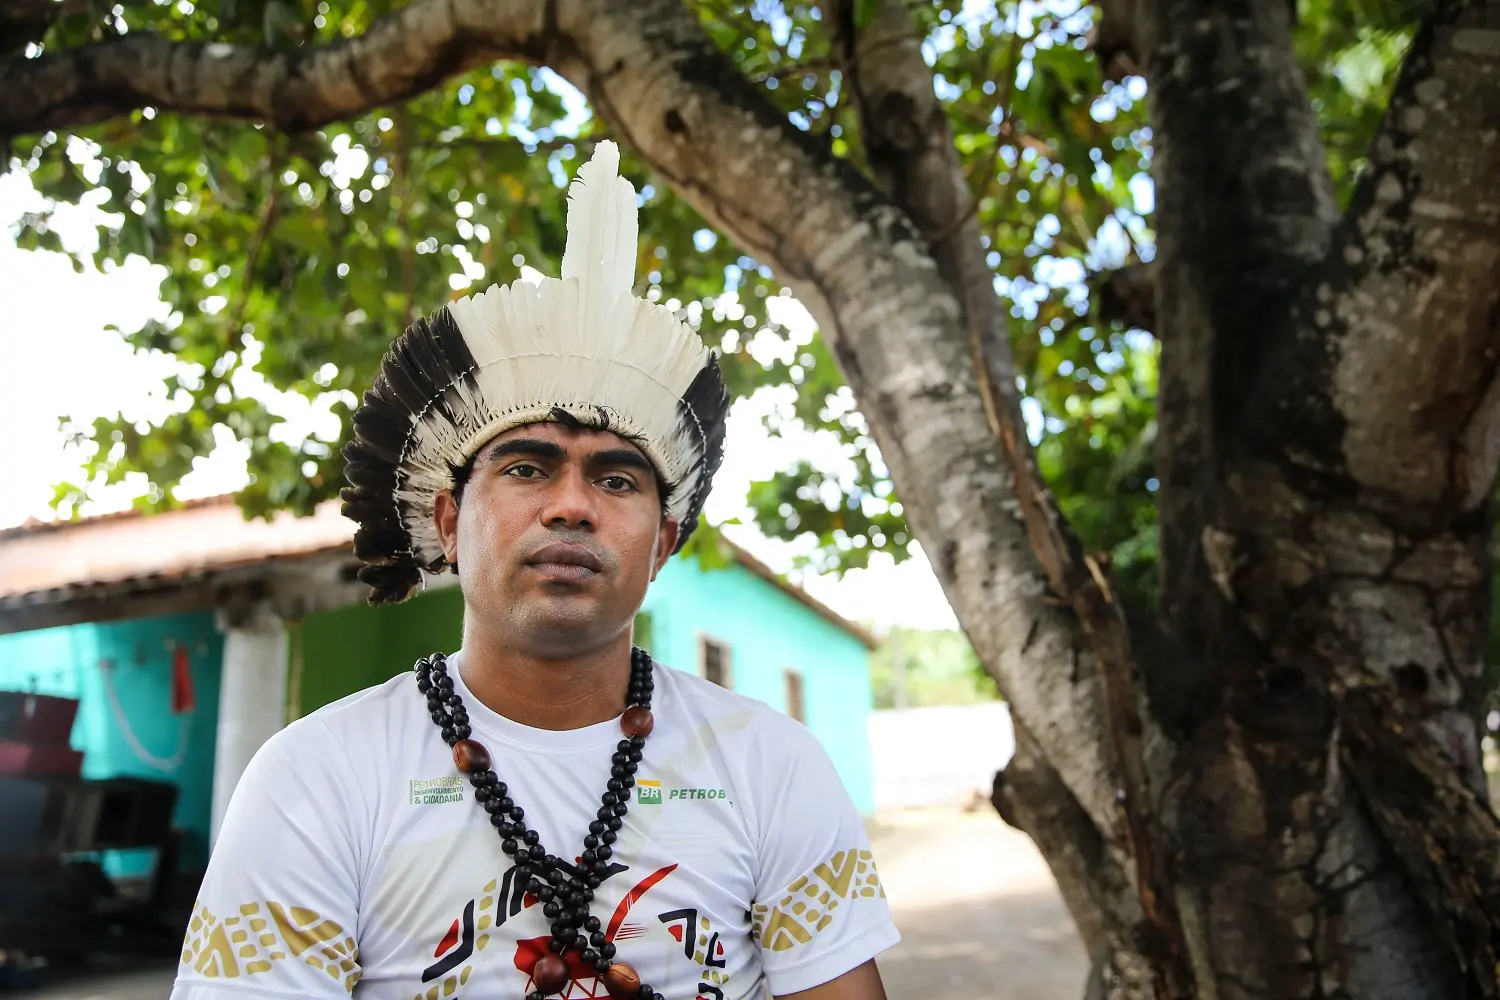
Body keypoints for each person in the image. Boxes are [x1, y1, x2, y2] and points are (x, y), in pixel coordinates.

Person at [170, 140, 899, 1000]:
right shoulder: (316, 778)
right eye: (525, 468)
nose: (571, 506)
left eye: (616, 479)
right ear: (449, 521)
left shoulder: (771, 764)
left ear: (662, 544)